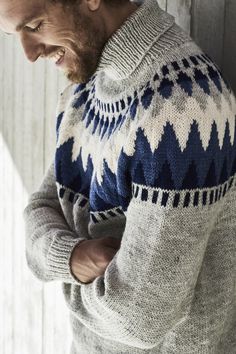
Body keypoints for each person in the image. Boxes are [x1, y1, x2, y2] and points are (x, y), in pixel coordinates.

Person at [1, 0, 236, 352]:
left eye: (35, 26)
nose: (29, 54)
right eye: (13, 34)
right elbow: (40, 207)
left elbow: (139, 317)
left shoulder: (181, 105)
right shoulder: (86, 87)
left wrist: (57, 268)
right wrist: (74, 257)